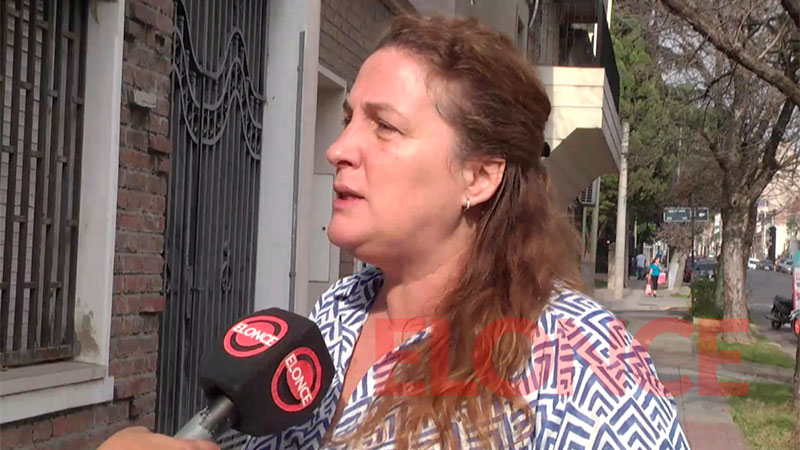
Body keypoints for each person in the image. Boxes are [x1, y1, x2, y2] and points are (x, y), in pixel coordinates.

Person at [99, 15, 687, 450]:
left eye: (384, 126)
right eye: (348, 118)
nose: (338, 148)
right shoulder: (334, 317)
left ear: (479, 176)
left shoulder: (578, 357)